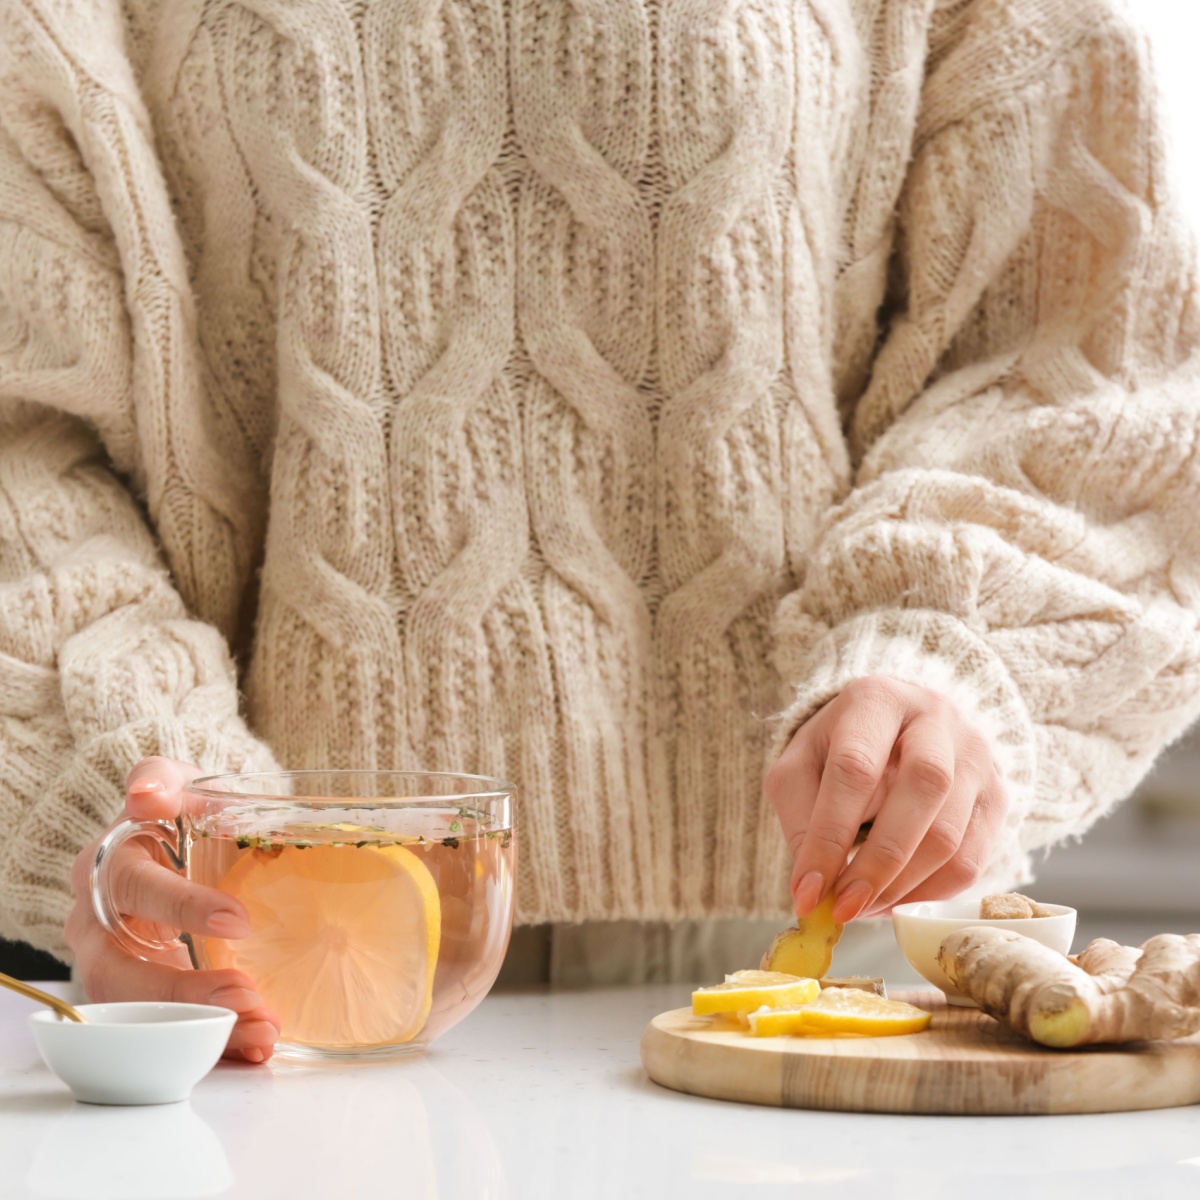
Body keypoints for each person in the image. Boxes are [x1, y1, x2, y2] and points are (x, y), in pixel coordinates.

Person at [2, 0, 1198, 1063]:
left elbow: (1080, 354)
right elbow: (24, 447)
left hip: (836, 991)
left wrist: (944, 648)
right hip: (254, 1000)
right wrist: (123, 777)